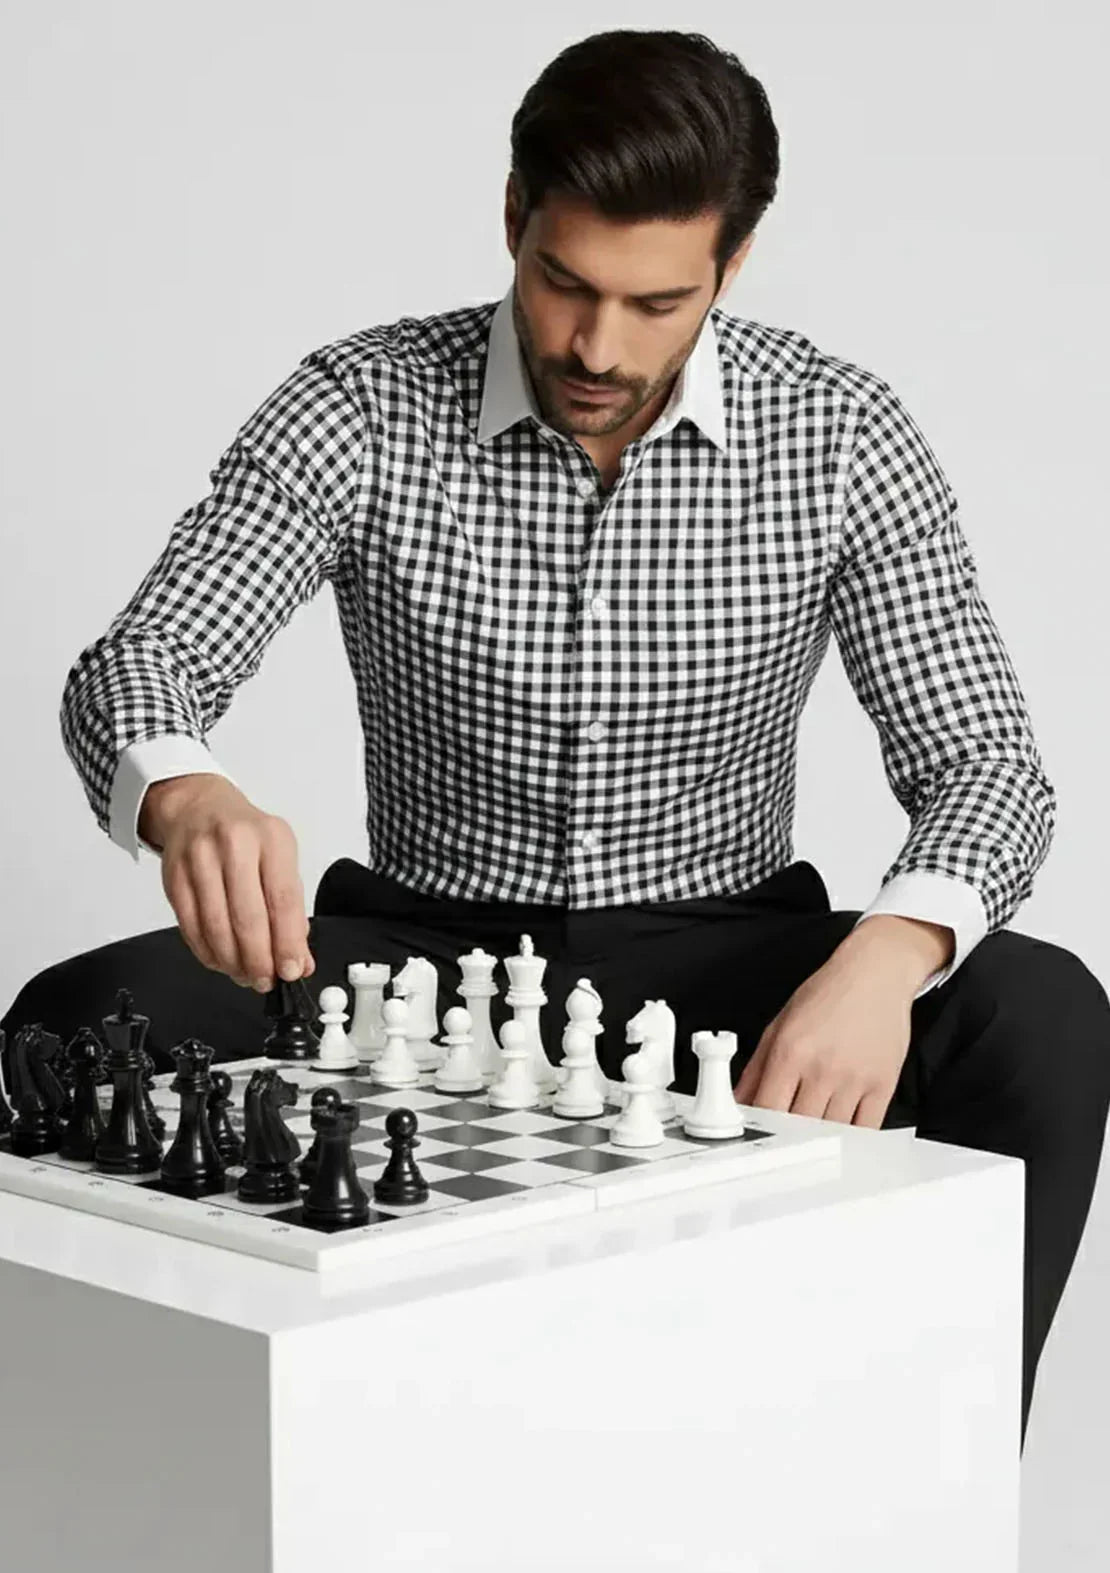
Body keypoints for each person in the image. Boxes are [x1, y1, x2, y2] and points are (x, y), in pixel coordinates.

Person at [4, 28, 1108, 1454]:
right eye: (563, 284)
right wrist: (184, 788)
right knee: (72, 1014)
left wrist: (888, 960)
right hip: (411, 968)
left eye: (657, 303)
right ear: (511, 218)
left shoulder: (837, 432)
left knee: (1042, 1014)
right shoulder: (359, 404)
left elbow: (987, 765)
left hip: (718, 962)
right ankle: (135, 1501)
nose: (597, 348)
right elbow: (141, 658)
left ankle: (940, 1485)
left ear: (734, 261)